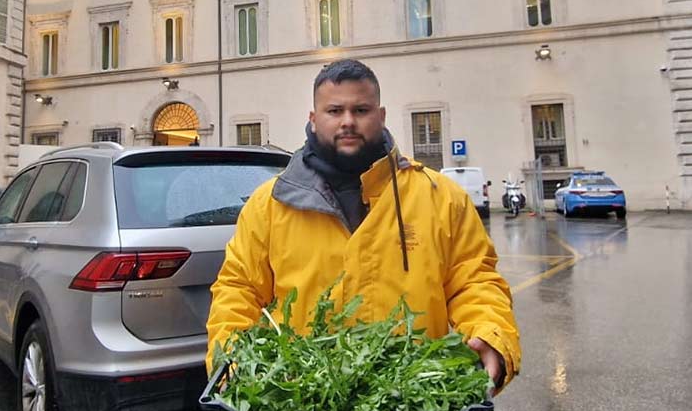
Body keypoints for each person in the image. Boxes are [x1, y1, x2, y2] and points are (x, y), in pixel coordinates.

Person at [206, 59, 521, 392]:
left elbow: (474, 281)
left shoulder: (441, 198)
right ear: (313, 120)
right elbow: (238, 291)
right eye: (334, 111)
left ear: (381, 116)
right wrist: (233, 361)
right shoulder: (269, 205)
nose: (348, 122)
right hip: (303, 402)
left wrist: (491, 334)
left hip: (411, 401)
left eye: (360, 110)